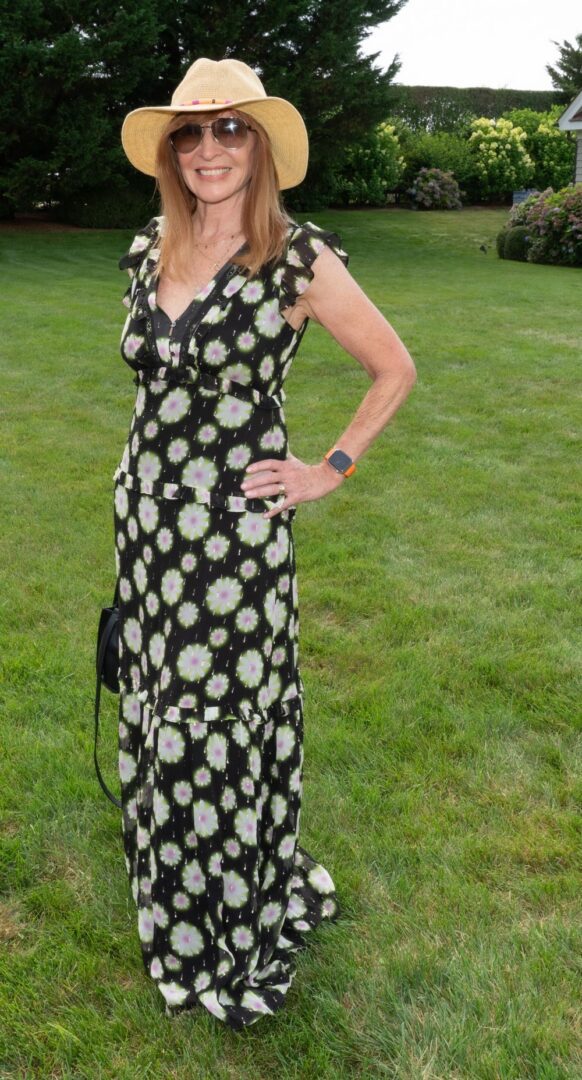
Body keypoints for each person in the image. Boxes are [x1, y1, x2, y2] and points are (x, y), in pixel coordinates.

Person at [113, 56, 416, 1030]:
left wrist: (329, 468)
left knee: (221, 725)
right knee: (165, 714)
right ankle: (174, 888)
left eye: (230, 130)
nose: (210, 149)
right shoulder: (143, 250)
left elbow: (393, 368)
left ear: (261, 146)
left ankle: (225, 919)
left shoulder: (296, 257)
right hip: (150, 528)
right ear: (172, 151)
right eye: (191, 134)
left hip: (233, 540)